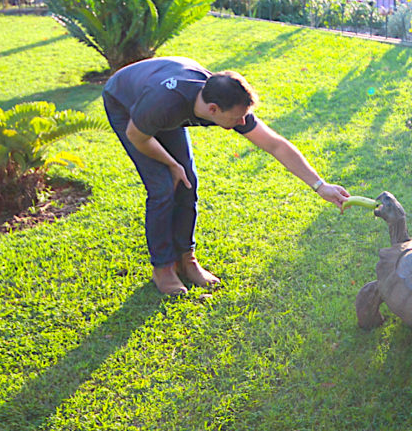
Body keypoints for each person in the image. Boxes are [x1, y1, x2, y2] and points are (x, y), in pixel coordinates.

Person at [102, 56, 351, 296]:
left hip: (163, 105)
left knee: (188, 184)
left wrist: (320, 186)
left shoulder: (223, 99)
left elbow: (275, 145)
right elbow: (137, 136)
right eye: (237, 118)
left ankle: (187, 260)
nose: (242, 122)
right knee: (162, 188)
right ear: (213, 109)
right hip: (126, 103)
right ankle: (163, 268)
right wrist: (171, 164)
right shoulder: (164, 103)